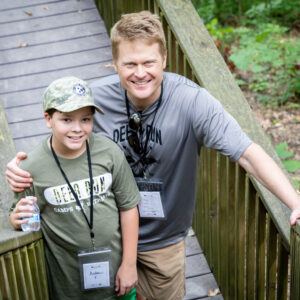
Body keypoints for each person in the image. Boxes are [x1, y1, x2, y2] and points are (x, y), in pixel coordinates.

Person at [6, 11, 300, 300]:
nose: (140, 72)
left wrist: (295, 202)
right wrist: (22, 167)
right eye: (130, 64)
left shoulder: (191, 101)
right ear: (115, 64)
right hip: (107, 238)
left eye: (149, 62)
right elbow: (63, 131)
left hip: (163, 240)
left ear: (164, 60)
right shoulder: (94, 100)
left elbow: (248, 153)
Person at [9, 77, 140, 300]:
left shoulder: (109, 152)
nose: (77, 129)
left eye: (86, 119)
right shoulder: (31, 168)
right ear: (48, 119)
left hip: (118, 280)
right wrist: (15, 220)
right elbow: (24, 217)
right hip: (68, 288)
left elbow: (128, 207)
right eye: (67, 120)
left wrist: (129, 265)